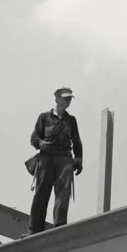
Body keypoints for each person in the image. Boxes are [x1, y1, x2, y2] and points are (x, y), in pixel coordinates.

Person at [28, 87, 83, 234]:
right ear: (57, 98)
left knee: (63, 194)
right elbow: (34, 138)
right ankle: (35, 230)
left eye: (70, 98)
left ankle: (59, 228)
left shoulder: (71, 120)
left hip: (64, 159)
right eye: (65, 98)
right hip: (46, 159)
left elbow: (76, 141)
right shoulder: (44, 117)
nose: (68, 100)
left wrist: (78, 159)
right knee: (41, 194)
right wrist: (42, 144)